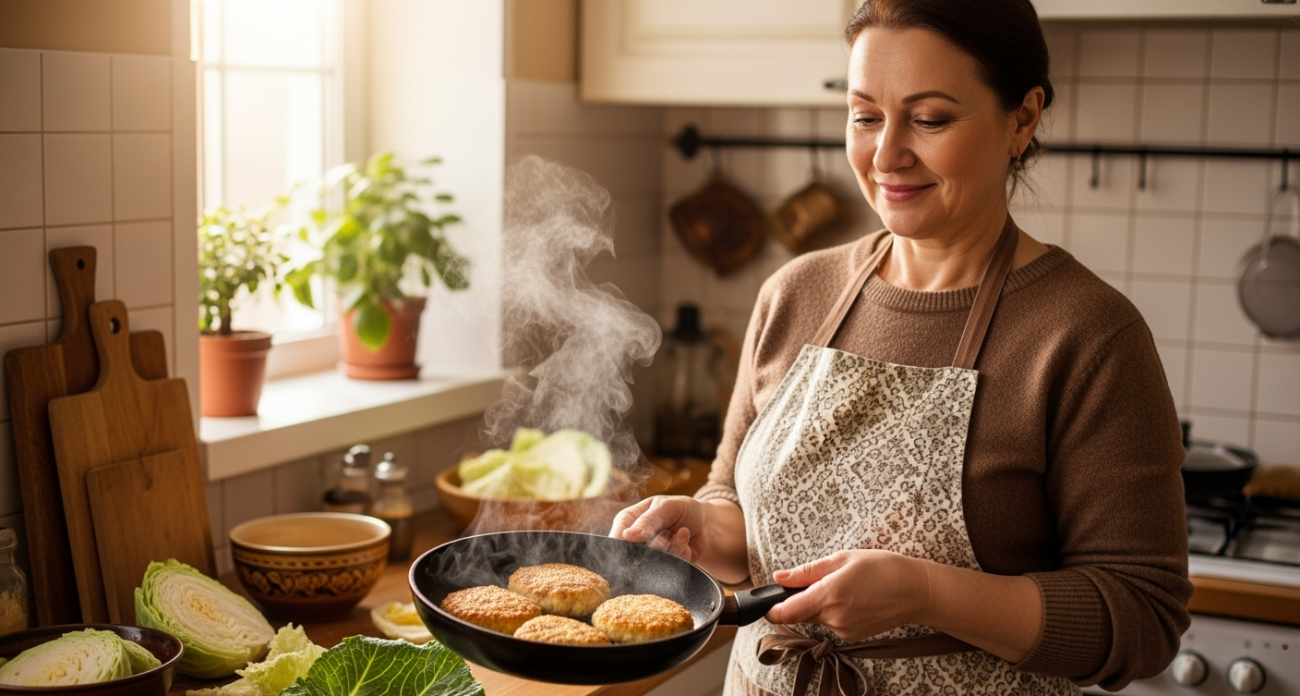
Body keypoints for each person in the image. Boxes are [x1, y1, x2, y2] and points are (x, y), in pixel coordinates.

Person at [611, 1, 1191, 694]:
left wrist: (926, 593)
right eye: (864, 116)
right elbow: (737, 508)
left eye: (930, 119)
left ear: (1023, 118)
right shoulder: (795, 293)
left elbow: (1143, 616)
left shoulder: (1087, 333)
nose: (886, 154)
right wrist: (703, 530)